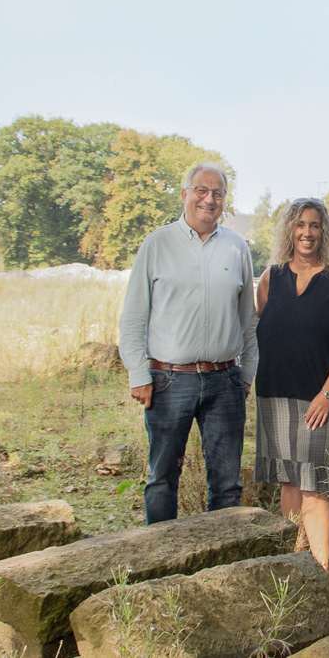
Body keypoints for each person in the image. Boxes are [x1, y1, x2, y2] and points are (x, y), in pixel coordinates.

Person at [119, 161, 257, 525]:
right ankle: (161, 564)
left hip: (225, 380)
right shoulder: (157, 244)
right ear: (184, 194)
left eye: (217, 193)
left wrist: (247, 376)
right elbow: (134, 316)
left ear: (224, 200)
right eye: (201, 190)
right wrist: (138, 373)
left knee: (227, 484)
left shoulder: (236, 246)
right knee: (163, 478)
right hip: (168, 381)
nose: (209, 199)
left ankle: (222, 564)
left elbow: (248, 320)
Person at [254, 197, 329, 571]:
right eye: (300, 225)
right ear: (289, 230)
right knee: (289, 482)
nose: (307, 233)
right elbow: (266, 328)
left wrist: (327, 393)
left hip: (321, 398)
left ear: (324, 232)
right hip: (274, 394)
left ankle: (322, 573)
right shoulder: (270, 277)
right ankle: (296, 569)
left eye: (315, 225)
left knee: (316, 485)